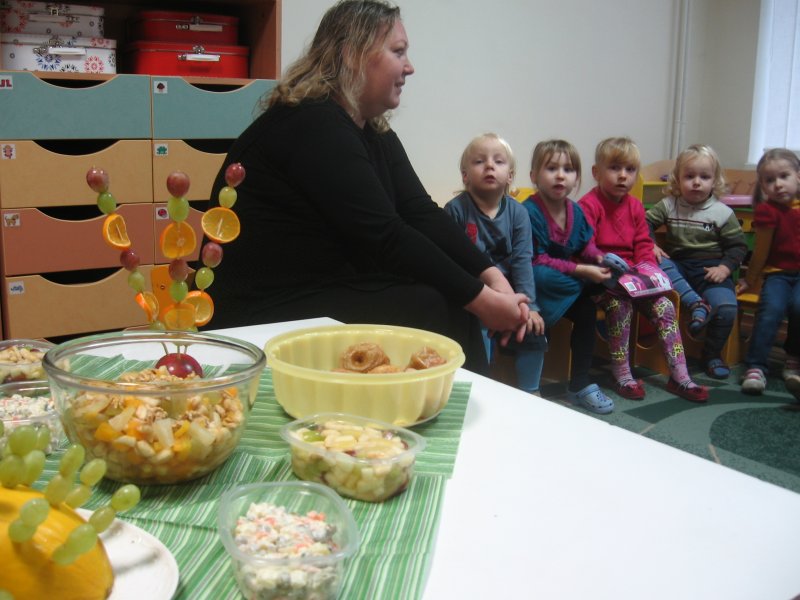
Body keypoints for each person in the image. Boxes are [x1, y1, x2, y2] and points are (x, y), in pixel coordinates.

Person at [204, 0, 529, 374]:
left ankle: (460, 402)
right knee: (437, 301)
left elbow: (420, 212)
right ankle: (455, 405)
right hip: (260, 311)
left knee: (449, 293)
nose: (409, 67)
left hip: (317, 290)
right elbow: (386, 236)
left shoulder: (372, 130)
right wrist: (482, 301)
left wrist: (491, 277)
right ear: (352, 53)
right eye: (398, 52)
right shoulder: (312, 123)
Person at [578, 137, 709, 403]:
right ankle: (622, 373)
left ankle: (679, 375)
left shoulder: (635, 206)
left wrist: (646, 271)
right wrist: (604, 263)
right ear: (596, 172)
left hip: (634, 280)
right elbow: (584, 246)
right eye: (615, 168)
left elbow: (643, 245)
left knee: (666, 306)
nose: (623, 176)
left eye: (630, 169)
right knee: (619, 307)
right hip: (602, 281)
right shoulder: (588, 205)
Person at [444, 133, 546, 394]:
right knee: (475, 325)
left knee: (532, 325)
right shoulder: (455, 210)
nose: (489, 166)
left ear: (510, 176)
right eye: (480, 161)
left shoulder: (518, 213)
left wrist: (530, 306)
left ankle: (531, 393)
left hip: (510, 292)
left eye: (498, 161)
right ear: (465, 176)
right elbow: (451, 261)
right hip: (473, 292)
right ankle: (482, 385)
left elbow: (522, 261)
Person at [520, 139, 615, 414]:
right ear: (534, 176)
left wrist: (598, 258)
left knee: (586, 312)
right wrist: (583, 271)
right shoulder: (529, 211)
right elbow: (535, 259)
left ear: (577, 177)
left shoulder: (576, 211)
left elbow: (586, 245)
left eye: (569, 169)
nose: (561, 175)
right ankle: (532, 386)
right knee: (541, 275)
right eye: (551, 168)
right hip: (539, 285)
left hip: (566, 285)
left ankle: (580, 384)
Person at [645, 144, 747, 379]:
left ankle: (711, 354)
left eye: (704, 177)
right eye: (689, 176)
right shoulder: (670, 204)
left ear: (715, 181)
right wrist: (651, 244)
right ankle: (695, 304)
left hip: (710, 271)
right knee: (656, 264)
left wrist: (724, 268)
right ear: (678, 179)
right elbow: (644, 223)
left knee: (726, 308)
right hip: (679, 267)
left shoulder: (722, 213)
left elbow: (738, 246)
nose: (696, 182)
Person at [736, 148, 800, 399]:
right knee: (771, 309)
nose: (778, 184)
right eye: (770, 180)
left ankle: (793, 359)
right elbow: (760, 251)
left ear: (798, 176)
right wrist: (749, 280)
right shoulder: (767, 211)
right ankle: (755, 366)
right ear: (762, 185)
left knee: (799, 307)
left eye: (784, 176)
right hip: (778, 275)